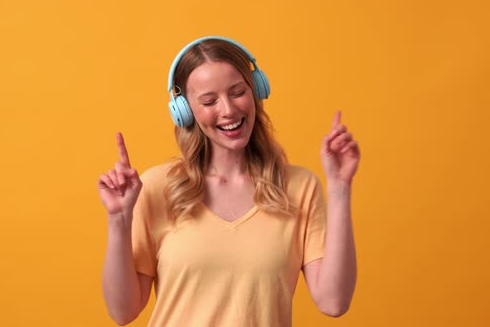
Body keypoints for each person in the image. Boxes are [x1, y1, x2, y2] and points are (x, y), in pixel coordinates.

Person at [99, 36, 360, 326]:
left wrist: (339, 188)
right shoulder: (157, 187)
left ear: (256, 90)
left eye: (238, 92)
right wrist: (118, 220)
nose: (228, 110)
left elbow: (333, 301)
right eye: (209, 101)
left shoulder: (300, 187)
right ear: (185, 112)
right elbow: (122, 311)